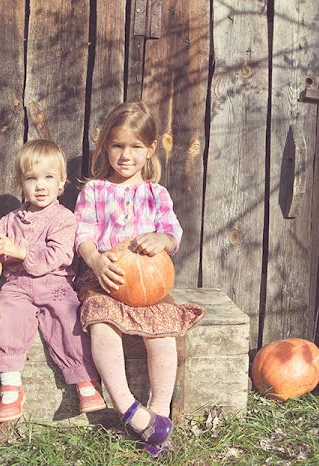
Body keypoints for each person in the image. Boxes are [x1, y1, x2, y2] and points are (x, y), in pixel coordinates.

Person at [74, 102, 204, 455]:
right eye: (117, 146)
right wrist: (96, 260)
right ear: (106, 147)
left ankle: (159, 412)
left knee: (162, 331)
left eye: (135, 147)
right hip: (107, 280)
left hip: (150, 286)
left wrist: (163, 239)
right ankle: (129, 408)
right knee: (101, 324)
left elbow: (172, 230)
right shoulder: (95, 190)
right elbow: (82, 232)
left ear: (149, 149)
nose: (125, 155)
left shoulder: (155, 194)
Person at [0, 139, 106, 423]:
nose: (41, 186)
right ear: (20, 183)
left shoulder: (64, 219)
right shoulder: (8, 221)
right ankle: (10, 386)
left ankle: (85, 381)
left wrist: (19, 250)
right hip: (18, 285)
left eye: (49, 178)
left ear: (61, 183)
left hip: (55, 284)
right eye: (32, 178)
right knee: (6, 317)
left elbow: (57, 255)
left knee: (68, 321)